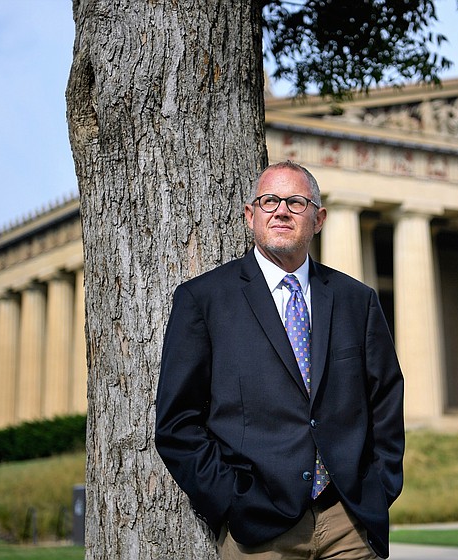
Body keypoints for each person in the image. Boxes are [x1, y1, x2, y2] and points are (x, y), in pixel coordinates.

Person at [155, 161, 405, 559]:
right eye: (269, 200)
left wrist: (379, 485)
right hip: (257, 529)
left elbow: (386, 400)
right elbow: (176, 424)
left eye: (296, 202)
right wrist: (231, 501)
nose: (282, 210)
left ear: (318, 218)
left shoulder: (357, 301)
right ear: (250, 215)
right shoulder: (204, 300)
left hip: (348, 523)